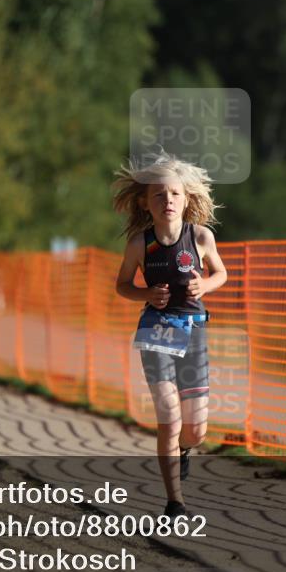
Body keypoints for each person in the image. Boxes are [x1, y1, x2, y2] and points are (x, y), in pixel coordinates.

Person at [113, 152, 228, 517]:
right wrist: (146, 294)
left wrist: (205, 286)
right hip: (156, 331)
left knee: (195, 430)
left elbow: (221, 274)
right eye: (159, 195)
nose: (168, 201)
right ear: (146, 203)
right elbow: (122, 285)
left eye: (175, 194)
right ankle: (175, 502)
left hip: (194, 331)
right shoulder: (139, 244)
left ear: (187, 199)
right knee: (170, 414)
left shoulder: (200, 236)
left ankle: (184, 449)